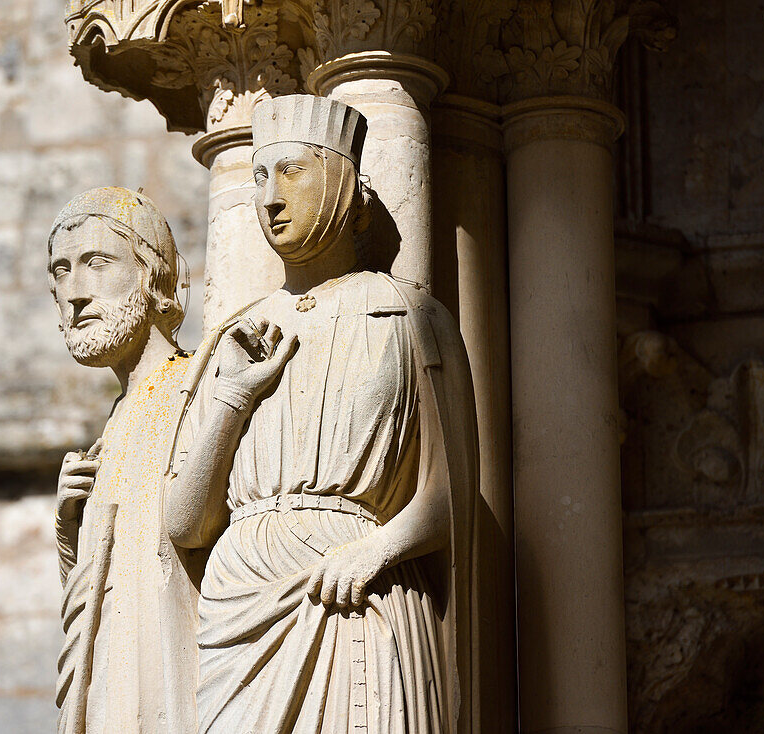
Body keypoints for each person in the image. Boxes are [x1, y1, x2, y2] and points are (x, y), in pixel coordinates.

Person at [164, 96, 479, 733]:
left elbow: (452, 497)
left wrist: (375, 551)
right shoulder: (235, 334)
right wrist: (233, 398)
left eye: (292, 172)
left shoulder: (410, 316)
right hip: (238, 603)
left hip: (355, 595)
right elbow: (185, 524)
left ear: (344, 184)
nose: (269, 199)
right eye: (257, 177)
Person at [49, 187, 201, 734]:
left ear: (152, 274)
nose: (75, 294)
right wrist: (71, 528)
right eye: (61, 272)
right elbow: (95, 599)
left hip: (174, 673)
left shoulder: (196, 386)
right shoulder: (115, 423)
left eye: (97, 263)